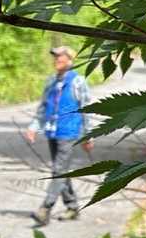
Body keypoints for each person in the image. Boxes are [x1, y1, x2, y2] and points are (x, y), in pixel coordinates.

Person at [24, 45, 94, 224]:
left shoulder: (78, 81)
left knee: (58, 170)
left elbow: (87, 109)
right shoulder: (51, 81)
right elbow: (43, 107)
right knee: (60, 170)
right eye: (55, 57)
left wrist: (88, 135)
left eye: (60, 57)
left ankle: (45, 209)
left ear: (70, 60)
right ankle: (72, 207)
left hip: (69, 133)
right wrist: (33, 127)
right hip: (53, 131)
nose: (56, 60)